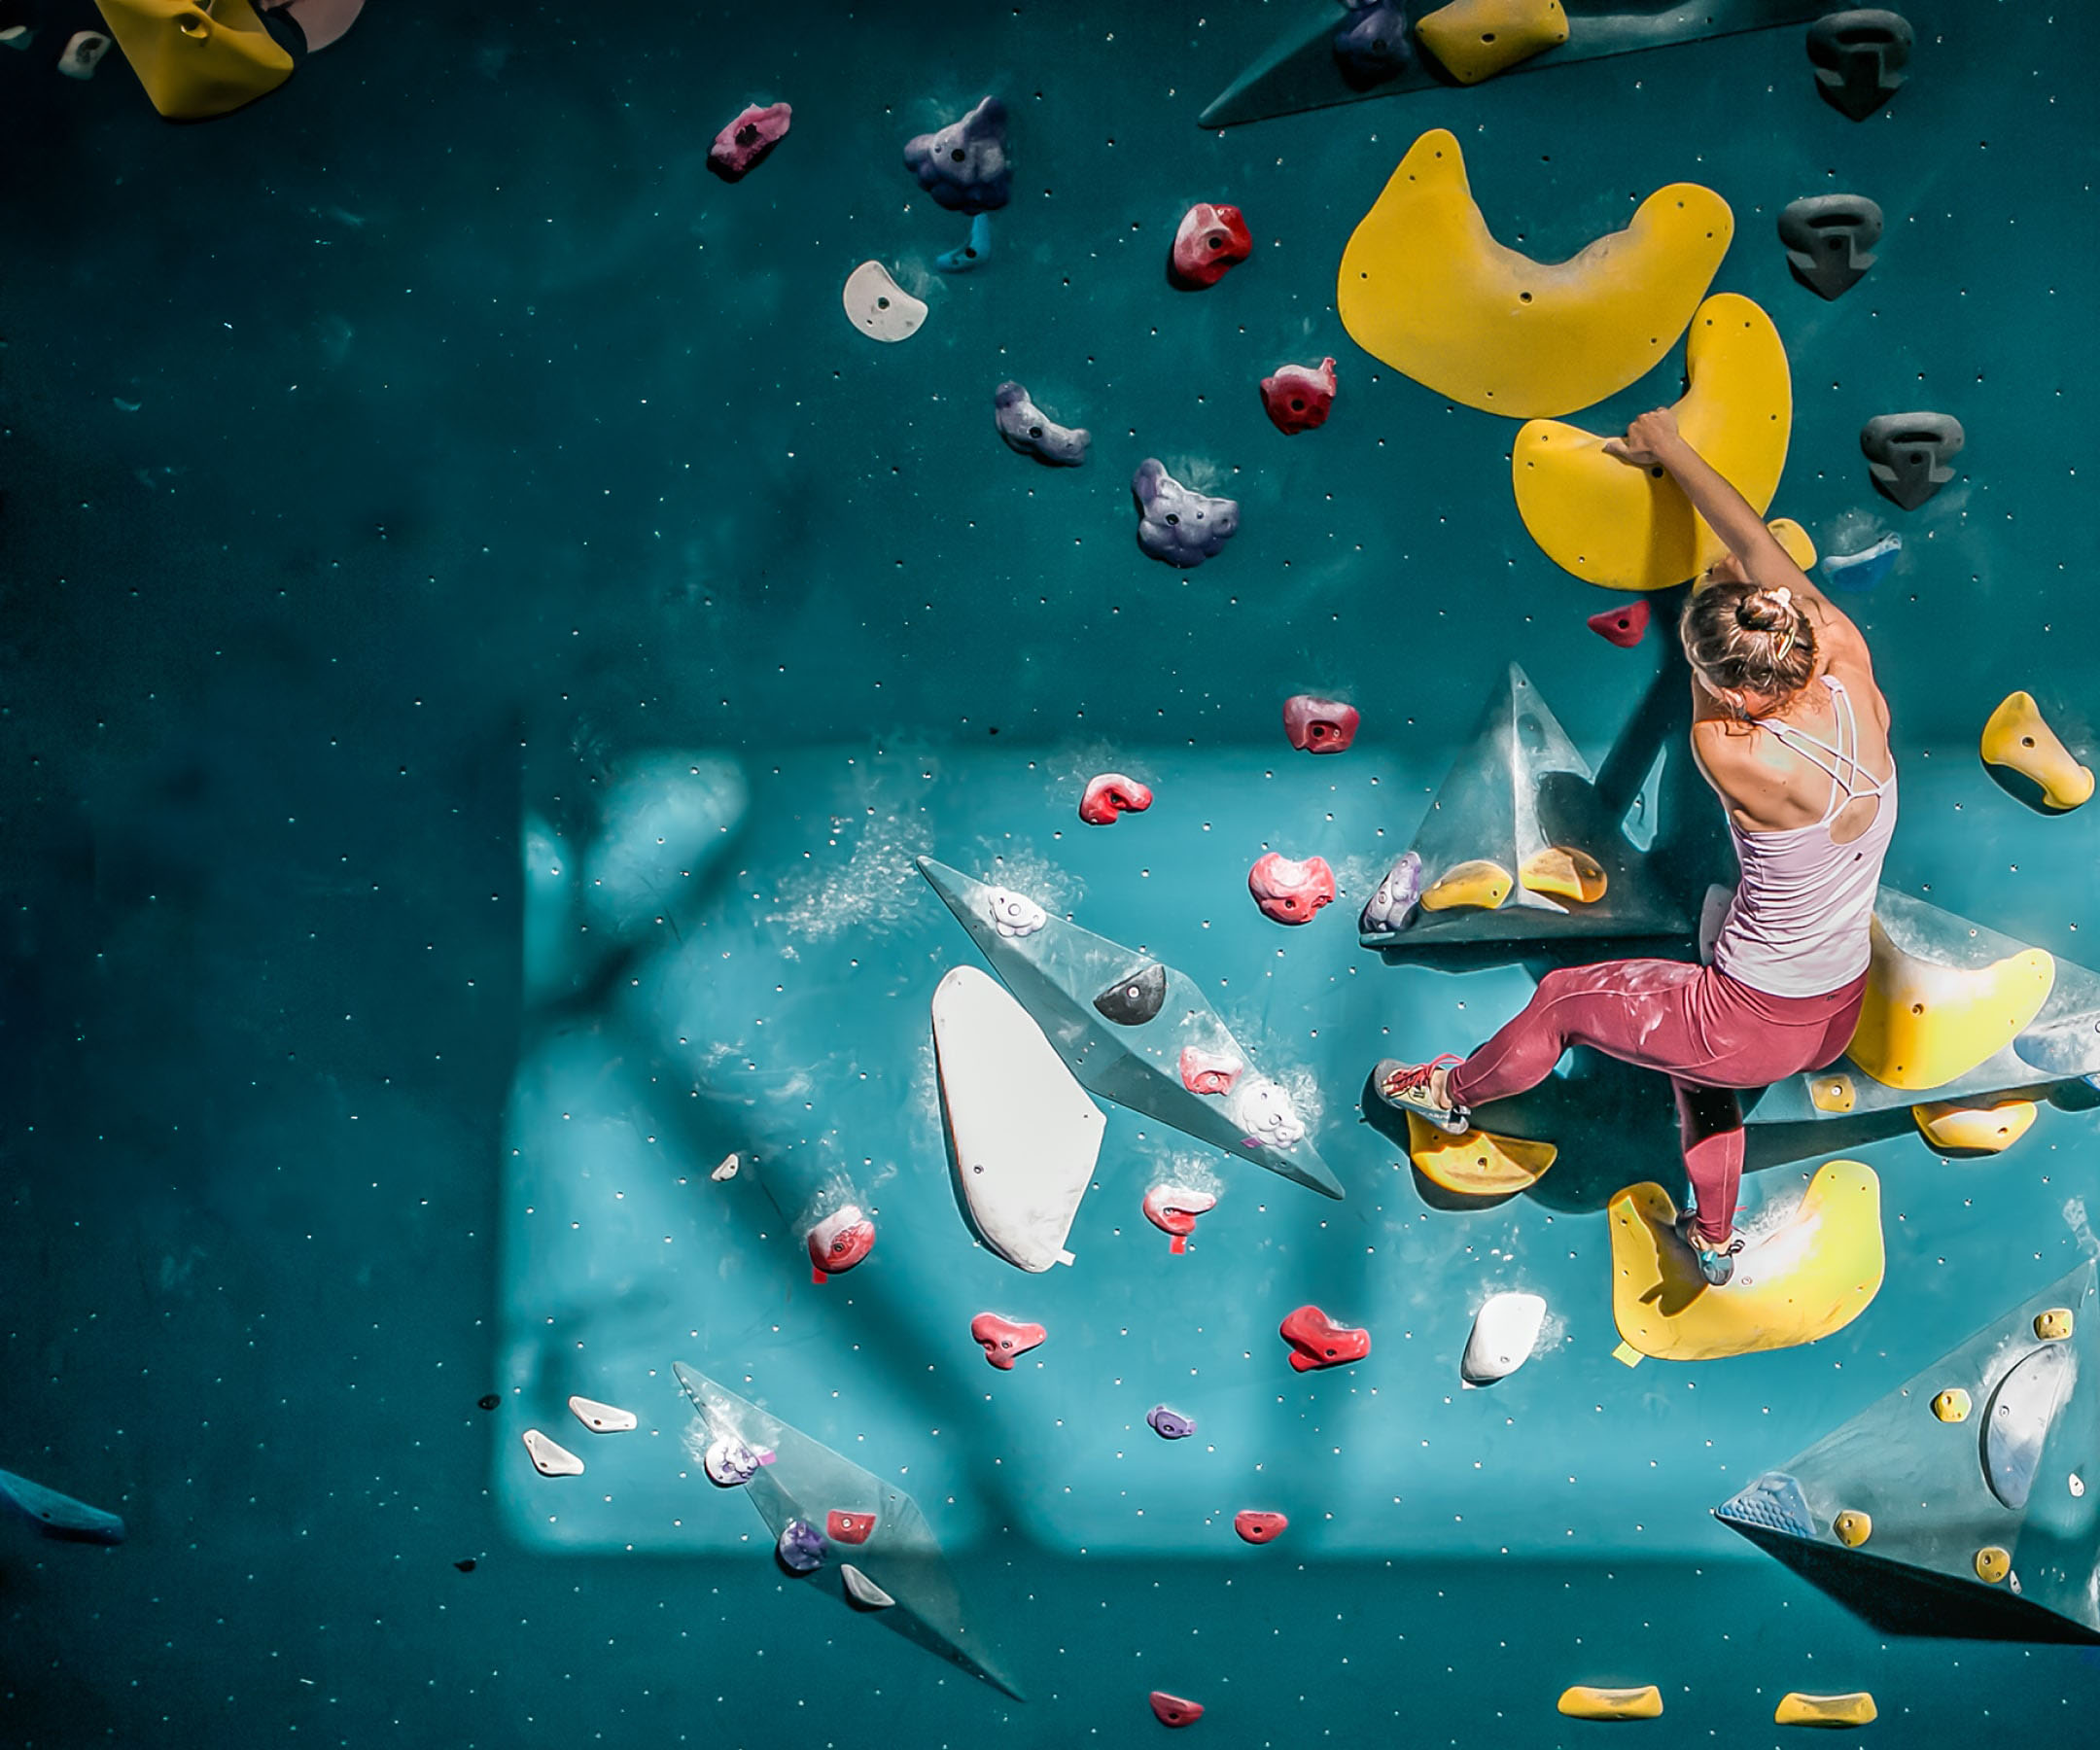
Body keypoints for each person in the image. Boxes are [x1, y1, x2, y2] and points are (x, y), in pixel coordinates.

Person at [1377, 406, 1898, 1286]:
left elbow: (1709, 644)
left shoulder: (1728, 748)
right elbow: (1751, 548)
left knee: (1566, 1003)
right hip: (1833, 999)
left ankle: (1451, 1095)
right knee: (1702, 1072)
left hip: (1751, 1014)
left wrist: (1696, 591)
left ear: (1727, 692)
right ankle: (1717, 1236)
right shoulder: (1846, 661)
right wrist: (1676, 451)